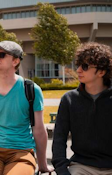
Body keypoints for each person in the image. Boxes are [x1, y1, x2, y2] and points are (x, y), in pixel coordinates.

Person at [0, 41, 53, 175]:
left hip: (22, 153)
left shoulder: (31, 90)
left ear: (15, 61)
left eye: (2, 54)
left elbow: (39, 129)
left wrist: (43, 165)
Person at [52, 42, 112, 175]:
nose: (78, 70)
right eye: (78, 65)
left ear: (101, 71)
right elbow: (59, 138)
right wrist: (62, 169)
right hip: (81, 166)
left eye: (85, 67)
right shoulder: (69, 99)